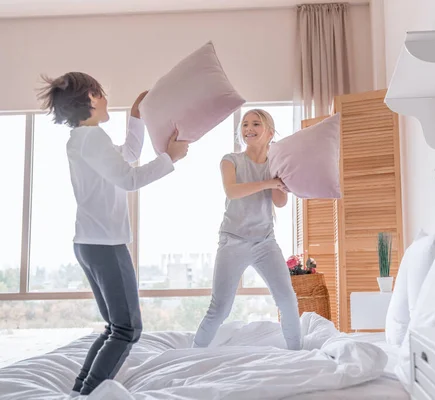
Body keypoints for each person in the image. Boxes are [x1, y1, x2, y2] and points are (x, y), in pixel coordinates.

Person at [37, 72, 189, 395]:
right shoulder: (91, 139)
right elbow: (129, 179)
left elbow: (128, 156)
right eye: (102, 94)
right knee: (127, 329)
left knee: (115, 328)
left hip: (91, 244)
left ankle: (81, 389)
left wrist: (135, 116)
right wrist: (170, 158)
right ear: (90, 98)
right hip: (105, 245)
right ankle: (87, 393)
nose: (106, 99)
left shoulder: (83, 139)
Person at [192, 109, 301, 350]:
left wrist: (278, 177)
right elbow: (233, 191)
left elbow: (280, 202)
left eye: (256, 124)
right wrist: (269, 182)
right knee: (219, 308)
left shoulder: (275, 164)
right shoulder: (230, 160)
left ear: (269, 132)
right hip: (233, 241)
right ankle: (192, 354)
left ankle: (298, 354)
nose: (249, 129)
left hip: (265, 242)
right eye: (245, 125)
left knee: (287, 300)